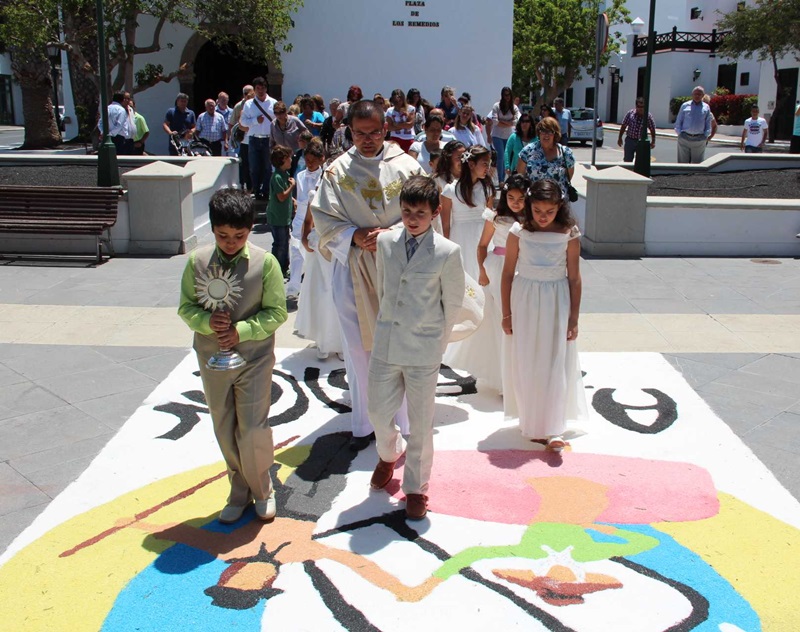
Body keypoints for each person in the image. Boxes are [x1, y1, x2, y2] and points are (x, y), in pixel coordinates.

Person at [311, 99, 423, 450]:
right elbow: (323, 218)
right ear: (349, 131)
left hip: (397, 266)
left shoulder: (407, 166)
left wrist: (391, 234)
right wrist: (354, 235)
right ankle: (367, 421)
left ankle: (402, 421)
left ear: (385, 129)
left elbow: (425, 210)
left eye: (374, 132)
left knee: (399, 344)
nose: (368, 140)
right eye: (360, 134)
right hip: (354, 266)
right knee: (360, 347)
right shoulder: (337, 172)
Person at [177, 188, 288, 523]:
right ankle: (238, 490)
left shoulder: (265, 263)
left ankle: (262, 489)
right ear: (212, 229)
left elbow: (277, 312)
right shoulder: (197, 262)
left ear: (250, 229)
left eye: (239, 236)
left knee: (252, 427)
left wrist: (242, 330)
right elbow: (186, 307)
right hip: (212, 357)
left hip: (253, 357)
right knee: (223, 425)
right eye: (222, 235)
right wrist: (206, 322)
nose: (230, 243)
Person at [367, 175, 465, 520]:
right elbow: (383, 289)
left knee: (421, 424)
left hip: (424, 349)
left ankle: (416, 488)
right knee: (377, 412)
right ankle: (389, 452)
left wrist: (436, 343)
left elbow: (452, 304)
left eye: (420, 213)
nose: (412, 219)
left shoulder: (448, 252)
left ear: (435, 213)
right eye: (407, 211)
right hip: (387, 343)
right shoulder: (385, 242)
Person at [500, 178, 588, 451]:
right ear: (529, 206)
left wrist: (574, 318)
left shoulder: (569, 233)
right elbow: (507, 274)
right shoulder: (518, 232)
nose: (542, 216)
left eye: (549, 211)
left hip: (556, 300)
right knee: (527, 358)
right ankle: (532, 420)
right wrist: (506, 314)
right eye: (537, 210)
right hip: (525, 299)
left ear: (559, 207)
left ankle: (553, 426)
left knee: (553, 360)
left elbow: (574, 278)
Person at [475, 173, 530, 397]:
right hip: (498, 268)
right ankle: (503, 378)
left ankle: (521, 373)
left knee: (521, 319)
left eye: (521, 198)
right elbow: (482, 245)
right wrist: (482, 271)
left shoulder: (531, 219)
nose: (515, 203)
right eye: (511, 198)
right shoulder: (496, 218)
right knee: (502, 318)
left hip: (523, 268)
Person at [296, 179, 344, 360]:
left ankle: (341, 343)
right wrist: (304, 239)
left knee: (339, 296)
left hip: (339, 248)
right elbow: (308, 221)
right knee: (321, 295)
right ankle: (323, 342)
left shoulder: (344, 196)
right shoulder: (314, 196)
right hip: (318, 248)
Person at [286, 138, 324, 300]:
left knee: (310, 254)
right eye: (307, 160)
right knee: (296, 250)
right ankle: (293, 287)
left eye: (313, 161)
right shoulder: (300, 175)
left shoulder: (324, 176)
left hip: (314, 219)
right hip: (300, 217)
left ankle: (310, 287)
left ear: (321, 159)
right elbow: (300, 196)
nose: (309, 163)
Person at [517, 117, 575, 198]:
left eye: (550, 131)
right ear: (539, 133)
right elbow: (521, 176)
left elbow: (569, 176)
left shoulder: (566, 153)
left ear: (555, 134)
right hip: (534, 200)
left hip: (559, 200)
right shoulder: (527, 151)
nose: (546, 135)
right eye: (543, 131)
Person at [241, 77, 277, 200]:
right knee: (254, 167)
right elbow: (243, 121)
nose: (260, 91)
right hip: (254, 139)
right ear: (254, 90)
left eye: (263, 88)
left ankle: (266, 191)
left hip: (268, 139)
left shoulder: (273, 103)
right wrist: (256, 121)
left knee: (268, 167)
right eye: (258, 88)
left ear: (266, 88)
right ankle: (256, 190)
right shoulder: (248, 104)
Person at [267, 145, 296, 278]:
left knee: (285, 243)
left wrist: (293, 200)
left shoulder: (285, 175)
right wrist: (292, 186)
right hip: (277, 217)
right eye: (289, 158)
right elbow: (281, 196)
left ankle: (284, 267)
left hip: (284, 217)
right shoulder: (277, 177)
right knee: (279, 244)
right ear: (283, 159)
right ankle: (276, 269)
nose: (291, 160)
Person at [674, 86, 713, 163]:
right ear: (692, 94)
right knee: (682, 163)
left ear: (703, 95)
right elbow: (679, 120)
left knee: (697, 164)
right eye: (695, 94)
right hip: (684, 138)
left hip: (699, 139)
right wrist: (679, 133)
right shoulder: (685, 105)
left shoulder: (706, 107)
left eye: (699, 94)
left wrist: (705, 135)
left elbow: (708, 122)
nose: (697, 96)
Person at [491, 87, 521, 183]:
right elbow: (495, 121)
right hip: (497, 135)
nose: (507, 97)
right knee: (501, 155)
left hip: (509, 135)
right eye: (505, 95)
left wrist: (502, 121)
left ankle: (506, 178)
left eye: (508, 95)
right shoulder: (496, 106)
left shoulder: (514, 107)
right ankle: (501, 180)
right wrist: (508, 122)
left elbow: (515, 122)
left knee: (507, 157)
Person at [617, 97, 656, 162]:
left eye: (642, 107)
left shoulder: (648, 116)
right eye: (638, 106)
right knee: (627, 160)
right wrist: (620, 138)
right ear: (636, 106)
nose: (640, 109)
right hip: (630, 140)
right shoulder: (630, 114)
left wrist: (653, 141)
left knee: (640, 161)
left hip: (641, 142)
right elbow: (624, 125)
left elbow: (652, 129)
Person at [230, 85, 254, 191]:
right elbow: (238, 124)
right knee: (244, 164)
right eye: (246, 95)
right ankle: (245, 185)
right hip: (244, 140)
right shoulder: (240, 107)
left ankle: (253, 186)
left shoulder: (257, 107)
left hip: (255, 139)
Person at [386, 88, 417, 153]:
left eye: (400, 101)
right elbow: (389, 127)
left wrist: (396, 124)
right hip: (395, 137)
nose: (398, 103)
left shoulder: (411, 109)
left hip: (408, 138)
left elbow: (410, 125)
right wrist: (403, 125)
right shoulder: (390, 111)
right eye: (395, 101)